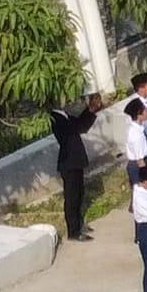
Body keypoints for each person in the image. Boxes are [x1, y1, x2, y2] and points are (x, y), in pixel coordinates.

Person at [50, 95, 104, 240]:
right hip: (69, 161)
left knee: (79, 194)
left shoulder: (65, 116)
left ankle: (79, 224)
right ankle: (73, 232)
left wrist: (90, 110)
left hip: (76, 161)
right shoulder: (55, 118)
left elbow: (81, 126)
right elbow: (73, 130)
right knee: (72, 198)